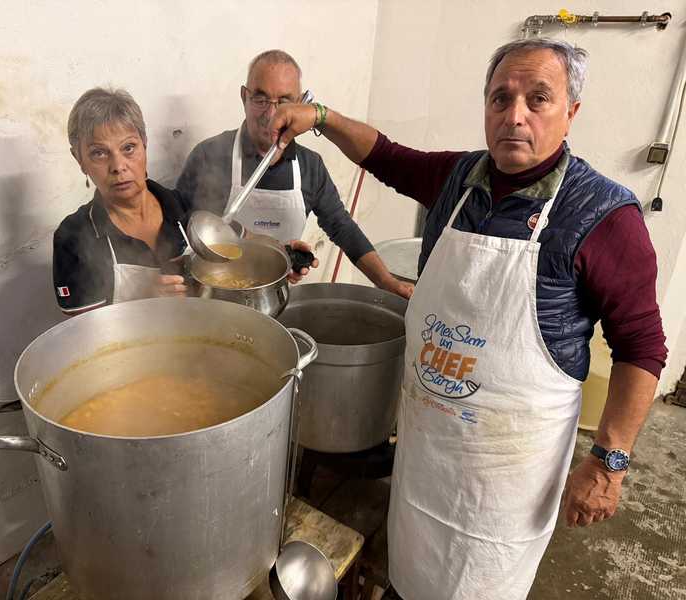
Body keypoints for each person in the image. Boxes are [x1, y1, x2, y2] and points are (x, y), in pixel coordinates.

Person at [270, 38, 667, 599]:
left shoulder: (604, 217)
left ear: (571, 111)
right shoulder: (459, 180)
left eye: (538, 98)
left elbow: (642, 347)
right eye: (500, 99)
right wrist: (320, 117)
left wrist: (608, 463)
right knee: (411, 576)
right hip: (428, 453)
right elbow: (384, 156)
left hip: (505, 480)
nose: (515, 116)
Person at [176, 49, 414, 299]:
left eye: (284, 102)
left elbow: (342, 227)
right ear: (244, 96)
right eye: (260, 99)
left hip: (273, 300)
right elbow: (179, 223)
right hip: (213, 298)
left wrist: (386, 281)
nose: (271, 114)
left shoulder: (310, 166)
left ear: (300, 105)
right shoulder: (209, 155)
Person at [53, 87, 188, 315]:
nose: (118, 166)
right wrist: (146, 304)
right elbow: (84, 333)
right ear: (79, 159)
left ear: (144, 143)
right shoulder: (74, 237)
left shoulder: (184, 206)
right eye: (99, 153)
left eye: (128, 148)